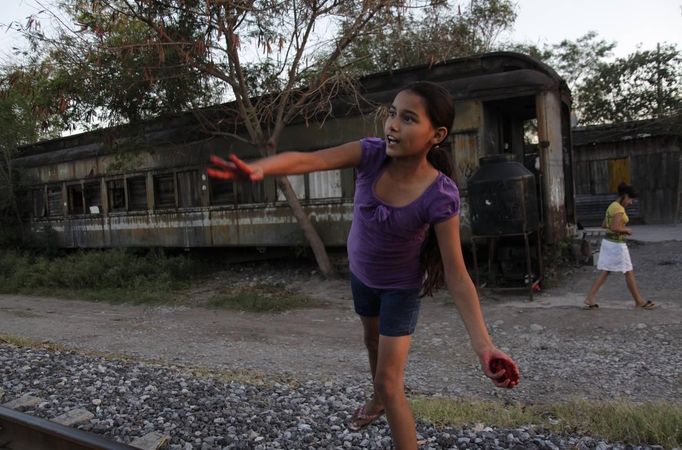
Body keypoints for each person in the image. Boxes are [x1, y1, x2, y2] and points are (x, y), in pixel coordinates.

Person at [207, 81, 519, 450]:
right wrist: (261, 169)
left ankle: (383, 399)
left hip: (400, 290)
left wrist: (484, 346)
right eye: (391, 114)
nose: (392, 125)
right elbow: (312, 160)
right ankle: (375, 399)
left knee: (391, 384)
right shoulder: (371, 156)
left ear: (436, 135)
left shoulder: (440, 194)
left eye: (407, 118)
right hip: (361, 277)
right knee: (370, 339)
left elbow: (457, 273)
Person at [583, 182, 656, 310]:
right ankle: (639, 301)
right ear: (625, 196)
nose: (631, 202)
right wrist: (626, 230)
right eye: (631, 199)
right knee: (628, 271)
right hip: (617, 245)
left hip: (609, 243)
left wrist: (618, 228)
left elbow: (604, 225)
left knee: (606, 271)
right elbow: (615, 227)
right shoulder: (619, 209)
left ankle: (590, 298)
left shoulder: (612, 206)